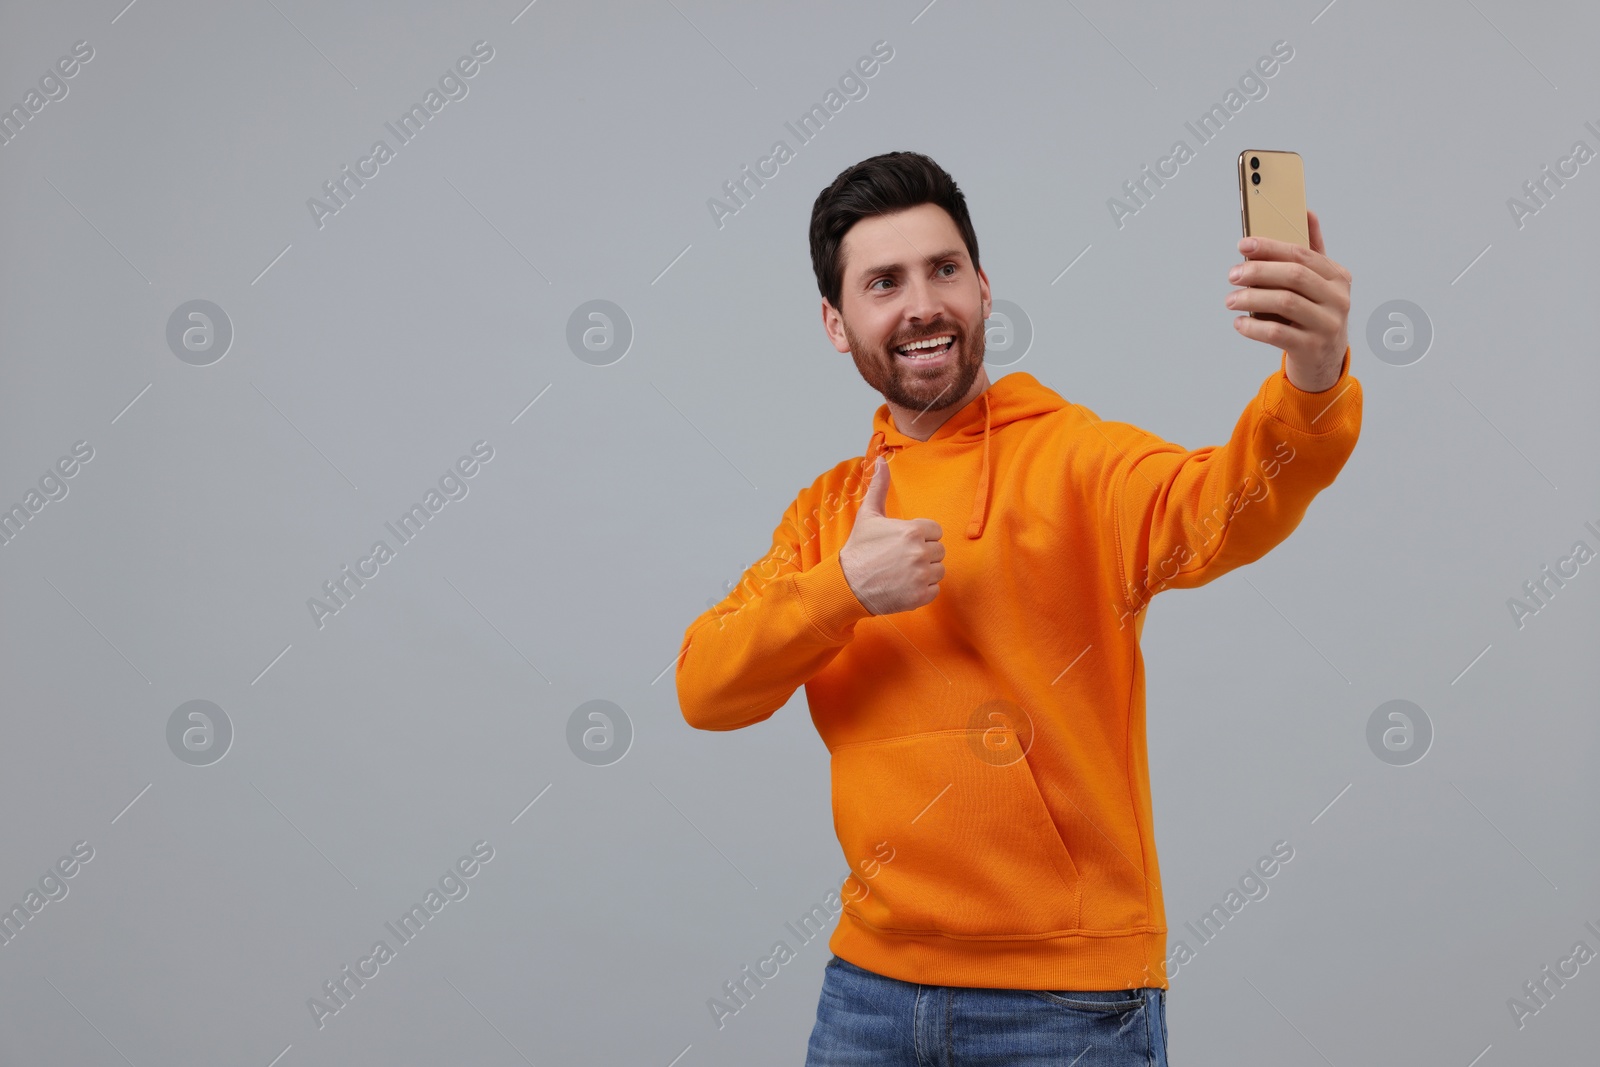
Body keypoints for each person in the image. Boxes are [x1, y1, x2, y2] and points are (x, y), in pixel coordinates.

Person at [675, 150, 1360, 1065]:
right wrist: (843, 590)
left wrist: (1311, 380)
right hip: (867, 997)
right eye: (884, 283)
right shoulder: (830, 515)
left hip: (1068, 1005)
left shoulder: (1077, 461)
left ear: (985, 289)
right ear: (838, 325)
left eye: (944, 269)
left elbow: (1221, 508)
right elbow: (705, 688)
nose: (922, 303)